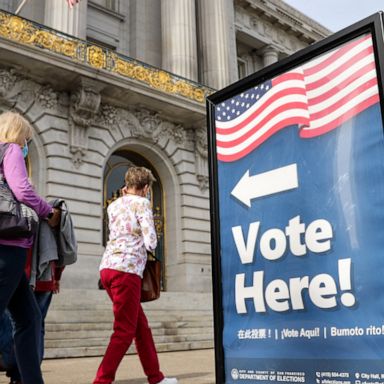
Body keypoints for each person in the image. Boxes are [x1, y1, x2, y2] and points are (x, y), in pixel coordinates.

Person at [93, 166, 178, 384]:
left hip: (108, 268)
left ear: (126, 184)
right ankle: (102, 380)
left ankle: (156, 378)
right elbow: (151, 241)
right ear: (146, 188)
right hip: (127, 270)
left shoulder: (113, 206)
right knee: (124, 330)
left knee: (140, 327)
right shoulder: (142, 203)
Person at [0, 111, 61, 384]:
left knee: (29, 318)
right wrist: (48, 211)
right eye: (27, 139)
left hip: (8, 247)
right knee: (26, 319)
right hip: (8, 245)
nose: (27, 145)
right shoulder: (10, 148)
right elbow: (22, 190)